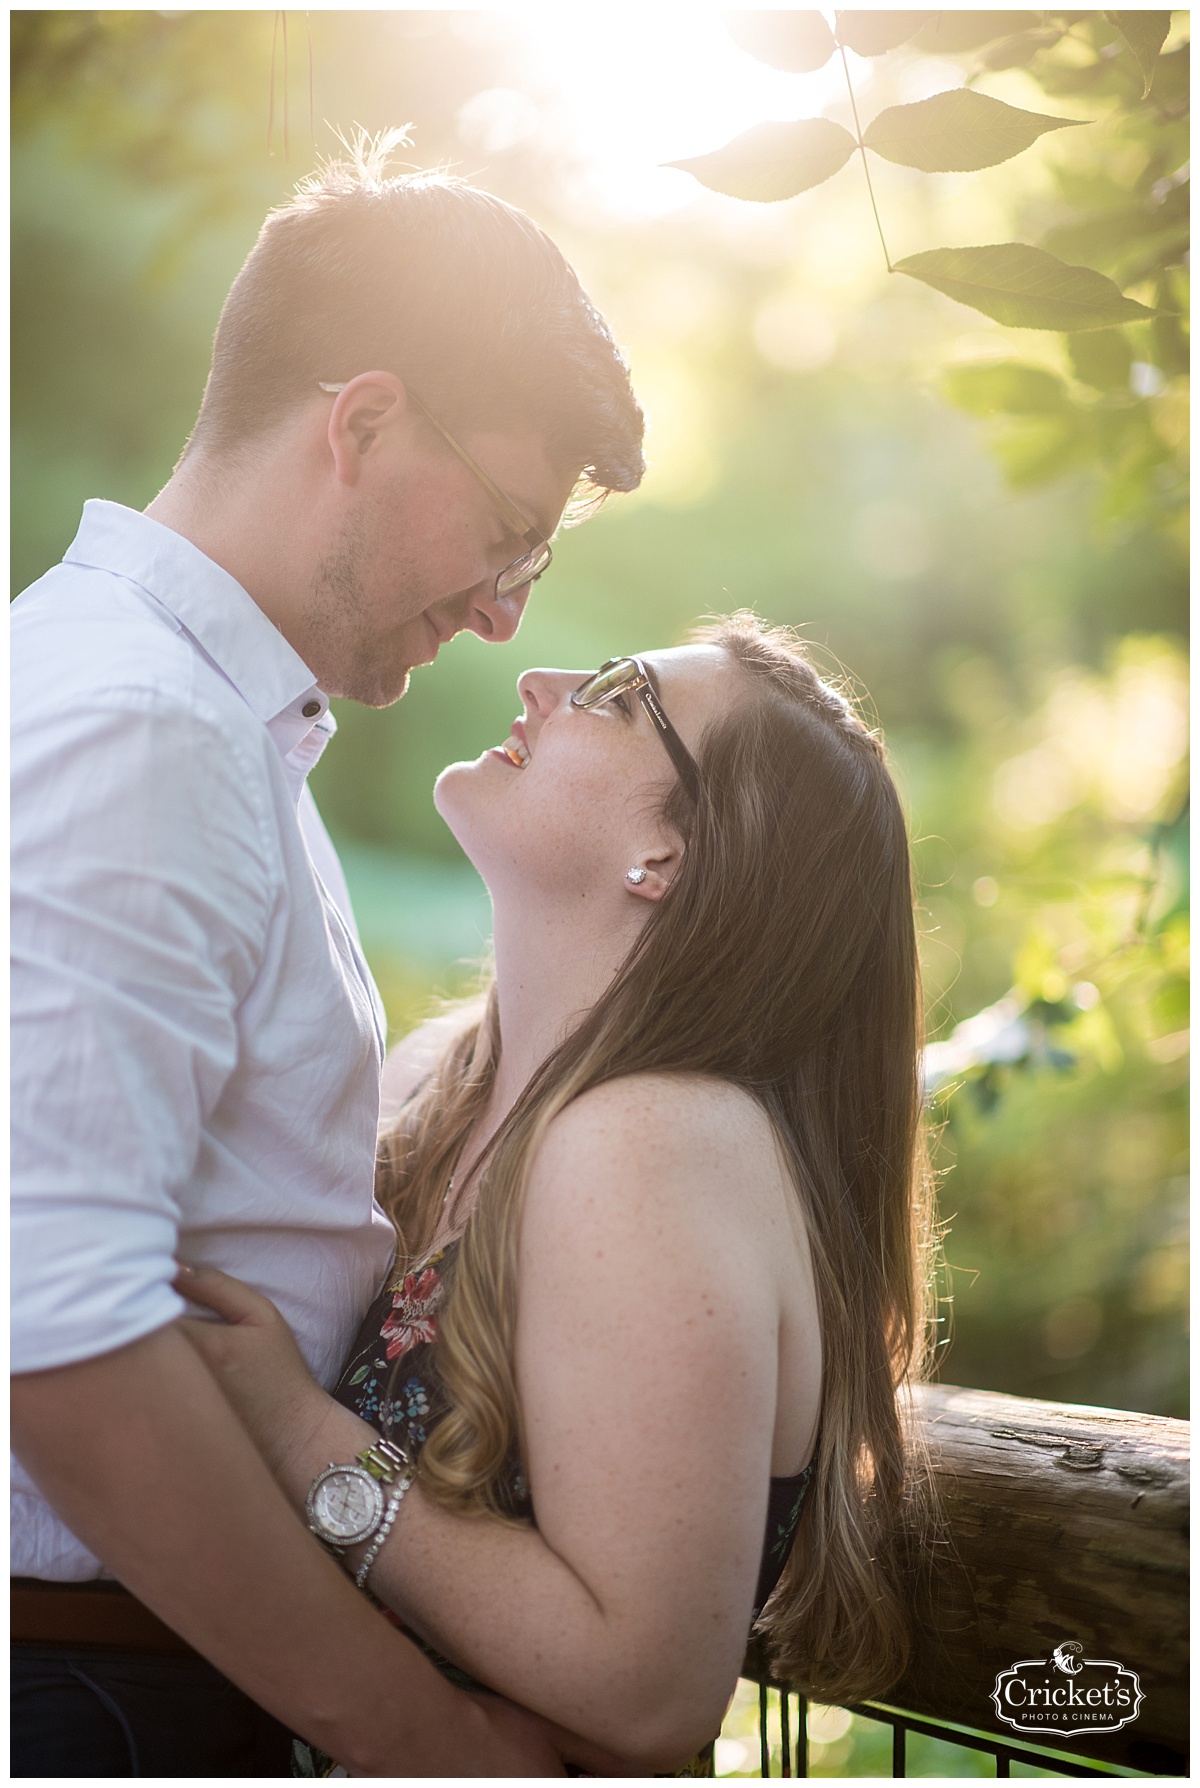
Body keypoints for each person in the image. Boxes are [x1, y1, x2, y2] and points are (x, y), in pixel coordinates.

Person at [10, 137, 645, 1779]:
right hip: (78, 1696)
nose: (506, 615)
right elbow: (56, 1342)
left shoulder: (154, 698)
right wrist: (427, 1738)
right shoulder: (143, 728)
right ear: (358, 423)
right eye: (506, 528)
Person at [176, 614, 937, 1775]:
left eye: (620, 694)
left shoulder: (653, 1139)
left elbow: (649, 1690)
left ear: (666, 860)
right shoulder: (443, 1085)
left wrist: (294, 1430)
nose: (539, 681)